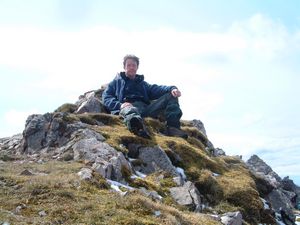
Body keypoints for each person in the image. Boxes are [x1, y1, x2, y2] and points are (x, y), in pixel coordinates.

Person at [102, 54, 188, 139]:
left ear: (137, 67)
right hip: (127, 107)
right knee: (130, 110)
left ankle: (173, 128)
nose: (131, 67)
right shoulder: (116, 82)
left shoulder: (143, 84)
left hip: (146, 111)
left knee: (171, 95)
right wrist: (120, 105)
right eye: (128, 65)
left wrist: (172, 88)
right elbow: (106, 97)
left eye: (134, 65)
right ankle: (137, 128)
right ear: (124, 67)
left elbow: (158, 89)